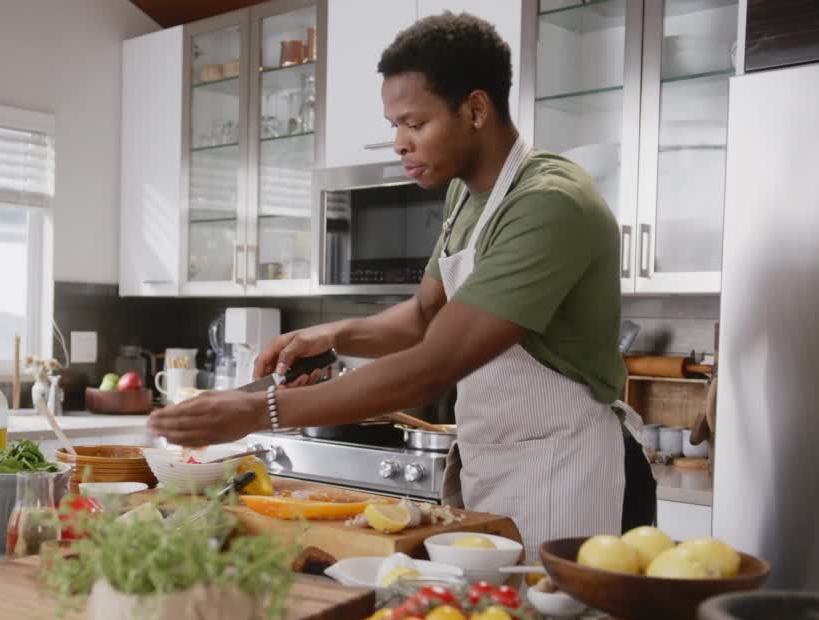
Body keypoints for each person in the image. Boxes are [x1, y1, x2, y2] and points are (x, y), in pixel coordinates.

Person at [148, 13, 655, 551]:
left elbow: (432, 365)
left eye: (414, 123)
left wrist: (259, 410)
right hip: (497, 460)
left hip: (567, 467)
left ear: (476, 109)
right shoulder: (466, 194)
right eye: (394, 125)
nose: (398, 143)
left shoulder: (549, 203)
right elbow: (423, 315)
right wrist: (334, 336)